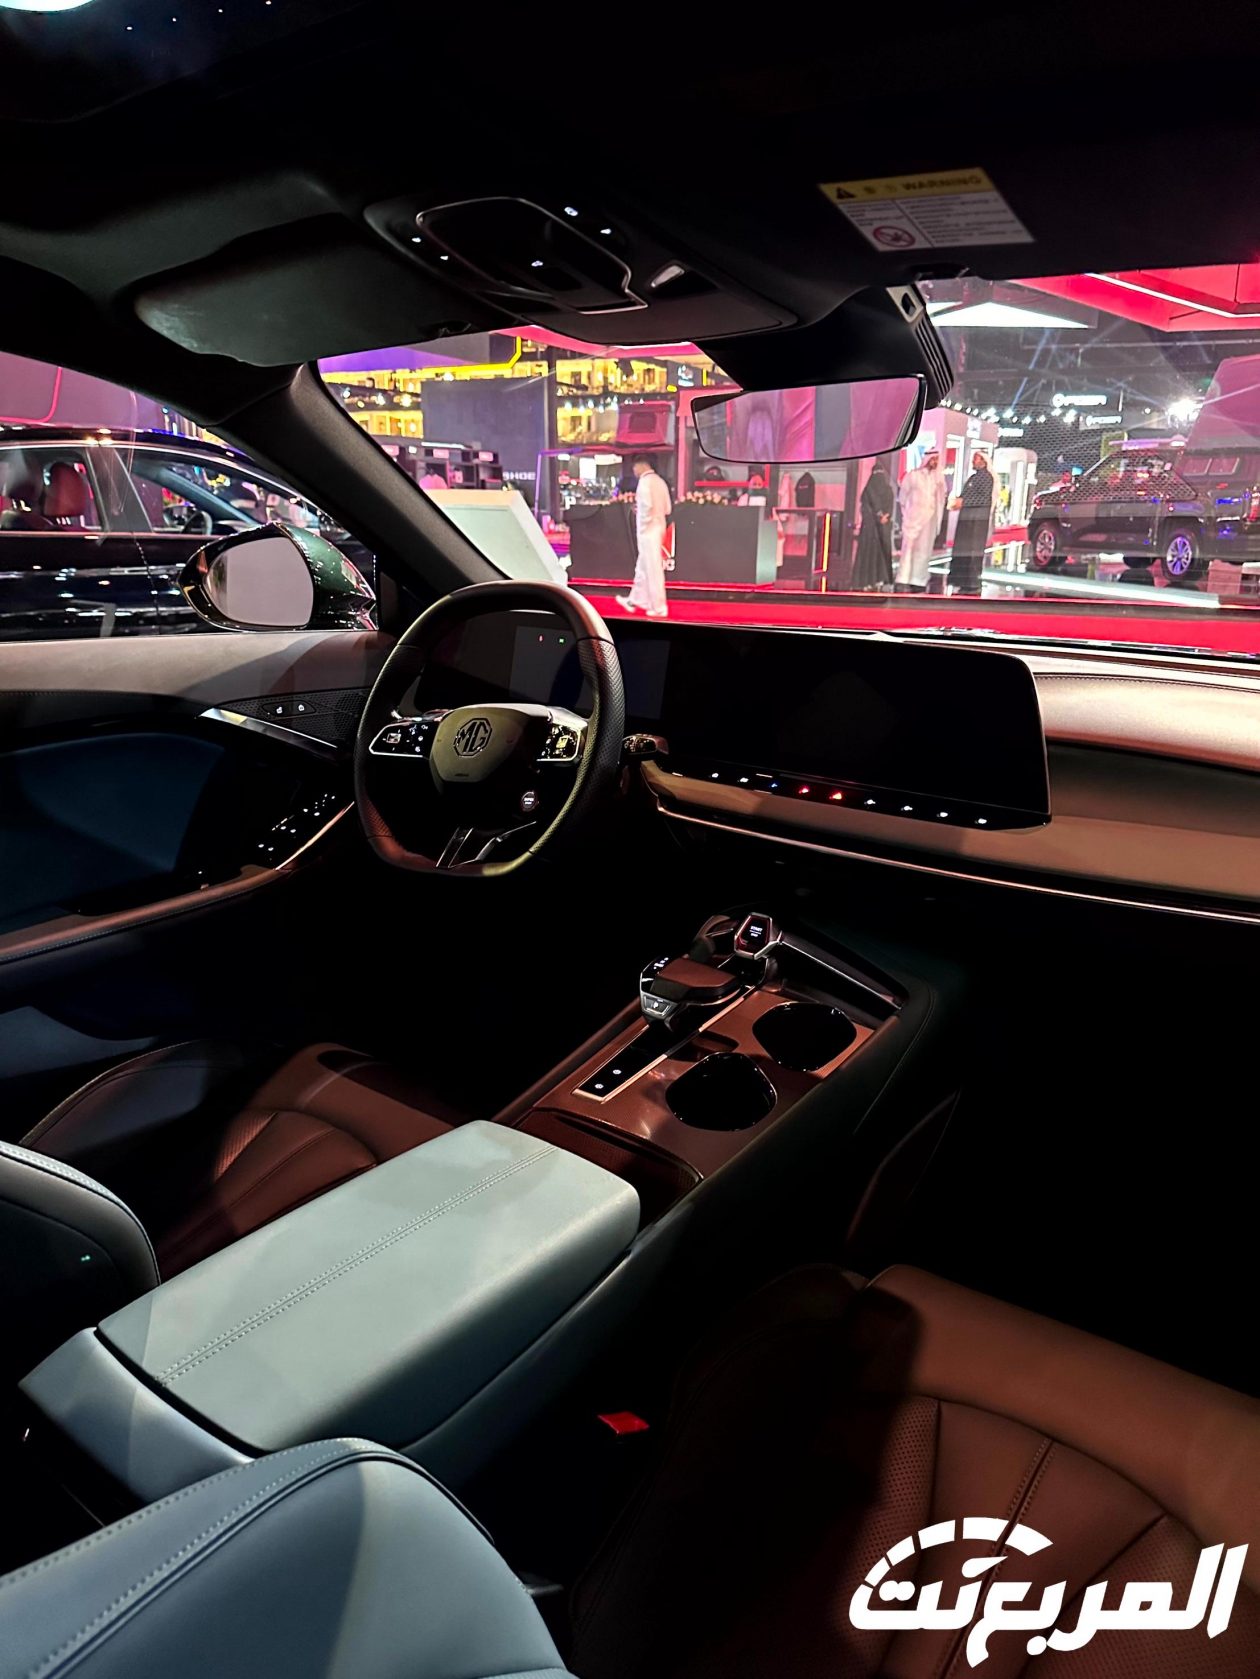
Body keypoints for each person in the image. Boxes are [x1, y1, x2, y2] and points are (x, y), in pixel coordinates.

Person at [617, 454, 672, 617]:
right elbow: (667, 508)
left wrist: (644, 522)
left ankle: (659, 607)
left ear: (642, 465)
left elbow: (647, 506)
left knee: (653, 569)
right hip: (659, 527)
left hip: (648, 531)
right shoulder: (660, 482)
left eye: (634, 466)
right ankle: (635, 600)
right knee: (643, 567)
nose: (634, 470)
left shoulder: (645, 482)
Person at [896, 449, 946, 590]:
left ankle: (918, 580)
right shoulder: (913, 476)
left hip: (929, 520)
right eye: (933, 459)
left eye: (937, 460)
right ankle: (903, 578)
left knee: (923, 551)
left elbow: (941, 498)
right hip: (913, 519)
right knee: (909, 549)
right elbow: (903, 497)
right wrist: (907, 514)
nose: (934, 462)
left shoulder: (937, 479)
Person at [948, 450, 995, 594]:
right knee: (963, 551)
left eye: (976, 459)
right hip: (967, 521)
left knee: (972, 553)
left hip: (976, 522)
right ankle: (962, 583)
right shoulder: (974, 477)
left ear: (983, 461)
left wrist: (964, 502)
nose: (973, 462)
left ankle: (972, 584)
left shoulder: (986, 478)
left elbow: (984, 499)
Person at [852, 462, 894, 589]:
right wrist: (884, 517)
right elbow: (889, 508)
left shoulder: (868, 489)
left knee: (869, 555)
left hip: (870, 531)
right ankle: (880, 580)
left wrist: (878, 516)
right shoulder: (888, 490)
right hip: (880, 529)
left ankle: (867, 581)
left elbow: (865, 508)